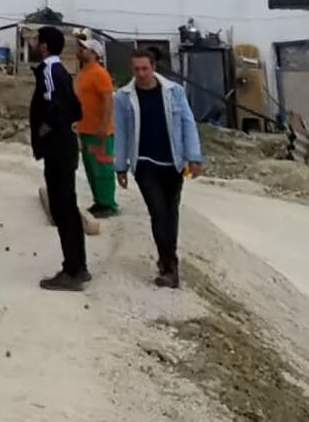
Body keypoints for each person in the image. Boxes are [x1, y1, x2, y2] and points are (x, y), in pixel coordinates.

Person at [114, 47, 203, 288]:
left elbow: (187, 124)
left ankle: (169, 262)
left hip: (172, 163)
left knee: (171, 214)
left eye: (145, 68)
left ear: (153, 67)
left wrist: (194, 157)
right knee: (158, 213)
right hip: (144, 165)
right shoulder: (123, 98)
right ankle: (168, 266)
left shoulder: (175, 92)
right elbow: (121, 133)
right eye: (136, 69)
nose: (141, 73)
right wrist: (120, 166)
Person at [31, 24, 89, 290]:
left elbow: (64, 108)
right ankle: (79, 266)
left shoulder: (50, 72)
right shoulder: (58, 72)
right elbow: (75, 108)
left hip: (58, 145)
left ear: (44, 46)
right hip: (61, 144)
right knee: (67, 206)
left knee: (62, 207)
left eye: (36, 40)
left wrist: (47, 127)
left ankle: (73, 270)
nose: (33, 44)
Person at [73, 33, 118, 218]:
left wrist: (103, 125)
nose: (80, 51)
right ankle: (99, 201)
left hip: (99, 131)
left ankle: (108, 203)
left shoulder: (99, 73)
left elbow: (108, 99)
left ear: (93, 53)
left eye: (84, 48)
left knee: (103, 168)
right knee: (91, 168)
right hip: (86, 128)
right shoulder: (84, 73)